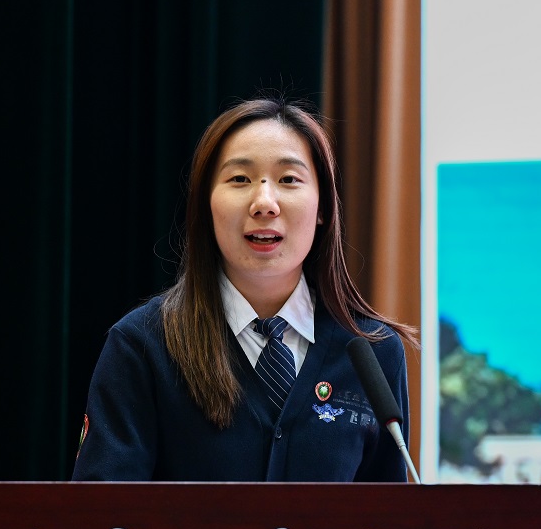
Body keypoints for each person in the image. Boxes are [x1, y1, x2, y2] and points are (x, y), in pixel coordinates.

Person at [71, 97, 417, 481]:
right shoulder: (142, 345)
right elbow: (103, 511)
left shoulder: (374, 353)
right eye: (240, 179)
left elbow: (387, 514)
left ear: (322, 207)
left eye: (289, 179)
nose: (264, 203)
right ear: (206, 204)